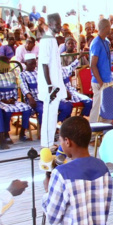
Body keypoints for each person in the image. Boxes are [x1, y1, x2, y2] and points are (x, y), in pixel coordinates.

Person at [0, 56, 31, 144]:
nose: (9, 66)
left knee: (27, 108)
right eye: (6, 64)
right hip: (1, 102)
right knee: (7, 110)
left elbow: (15, 90)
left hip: (11, 100)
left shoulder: (11, 75)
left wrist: (13, 99)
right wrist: (3, 101)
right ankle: (6, 134)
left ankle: (22, 132)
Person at [37, 13, 65, 149]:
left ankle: (49, 142)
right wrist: (49, 85)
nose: (59, 27)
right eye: (57, 24)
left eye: (60, 23)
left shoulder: (53, 39)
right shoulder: (46, 39)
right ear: (49, 25)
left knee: (53, 113)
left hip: (55, 83)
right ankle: (46, 144)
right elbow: (44, 63)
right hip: (50, 85)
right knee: (48, 113)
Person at [87, 18, 112, 122]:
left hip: (107, 80)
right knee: (97, 109)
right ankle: (92, 132)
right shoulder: (96, 43)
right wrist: (101, 83)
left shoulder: (105, 42)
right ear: (106, 28)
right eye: (109, 27)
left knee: (107, 109)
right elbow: (93, 65)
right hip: (99, 82)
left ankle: (104, 132)